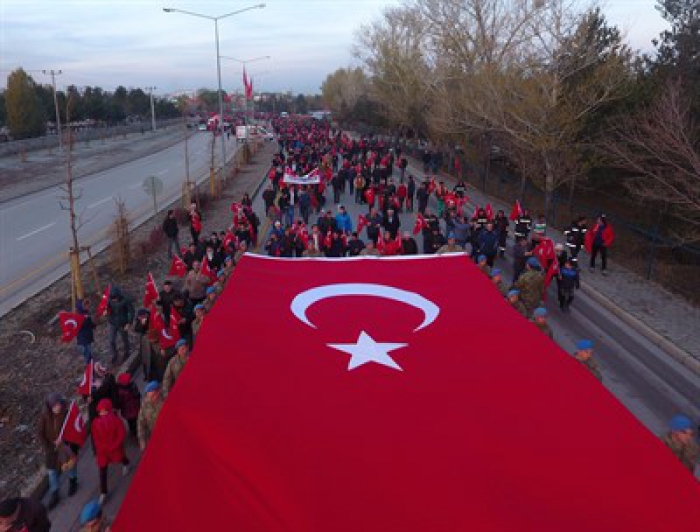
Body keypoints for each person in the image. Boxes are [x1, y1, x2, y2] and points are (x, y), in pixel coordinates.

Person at [37, 393, 79, 509]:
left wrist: (64, 441)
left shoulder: (67, 413)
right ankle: (55, 493)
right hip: (52, 449)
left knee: (70, 466)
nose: (58, 407)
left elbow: (72, 429)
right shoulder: (45, 416)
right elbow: (40, 433)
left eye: (59, 404)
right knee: (52, 472)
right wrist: (49, 446)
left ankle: (73, 482)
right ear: (50, 407)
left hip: (66, 447)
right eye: (55, 405)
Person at [91, 398, 130, 505]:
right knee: (102, 470)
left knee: (121, 457)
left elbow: (121, 433)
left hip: (113, 448)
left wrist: (114, 445)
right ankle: (103, 492)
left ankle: (126, 463)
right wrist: (100, 447)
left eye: (104, 410)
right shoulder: (96, 423)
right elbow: (95, 437)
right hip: (103, 451)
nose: (102, 413)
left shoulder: (115, 420)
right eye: (101, 411)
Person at [106, 286, 134, 365]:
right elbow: (107, 308)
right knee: (111, 340)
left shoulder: (126, 300)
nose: (114, 300)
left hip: (123, 323)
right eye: (112, 299)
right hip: (113, 322)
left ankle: (127, 352)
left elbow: (131, 312)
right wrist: (106, 312)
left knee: (124, 339)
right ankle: (114, 355)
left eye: (115, 298)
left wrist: (129, 323)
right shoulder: (109, 300)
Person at [137, 381, 165, 451]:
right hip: (156, 436)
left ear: (158, 391)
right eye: (149, 396)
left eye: (153, 395)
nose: (151, 399)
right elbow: (141, 423)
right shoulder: (145, 405)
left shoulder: (166, 399)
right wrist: (142, 441)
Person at [116, 373, 141, 438]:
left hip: (129, 410)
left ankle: (134, 433)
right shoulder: (132, 386)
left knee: (132, 422)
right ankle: (136, 432)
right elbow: (138, 395)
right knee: (134, 421)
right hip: (133, 408)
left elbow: (120, 401)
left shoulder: (121, 390)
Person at [76, 297, 96, 364]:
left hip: (86, 336)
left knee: (87, 351)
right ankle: (89, 365)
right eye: (87, 305)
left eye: (88, 305)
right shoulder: (80, 316)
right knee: (87, 351)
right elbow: (82, 325)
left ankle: (90, 363)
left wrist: (93, 324)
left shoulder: (86, 313)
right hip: (83, 336)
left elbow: (89, 324)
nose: (88, 307)